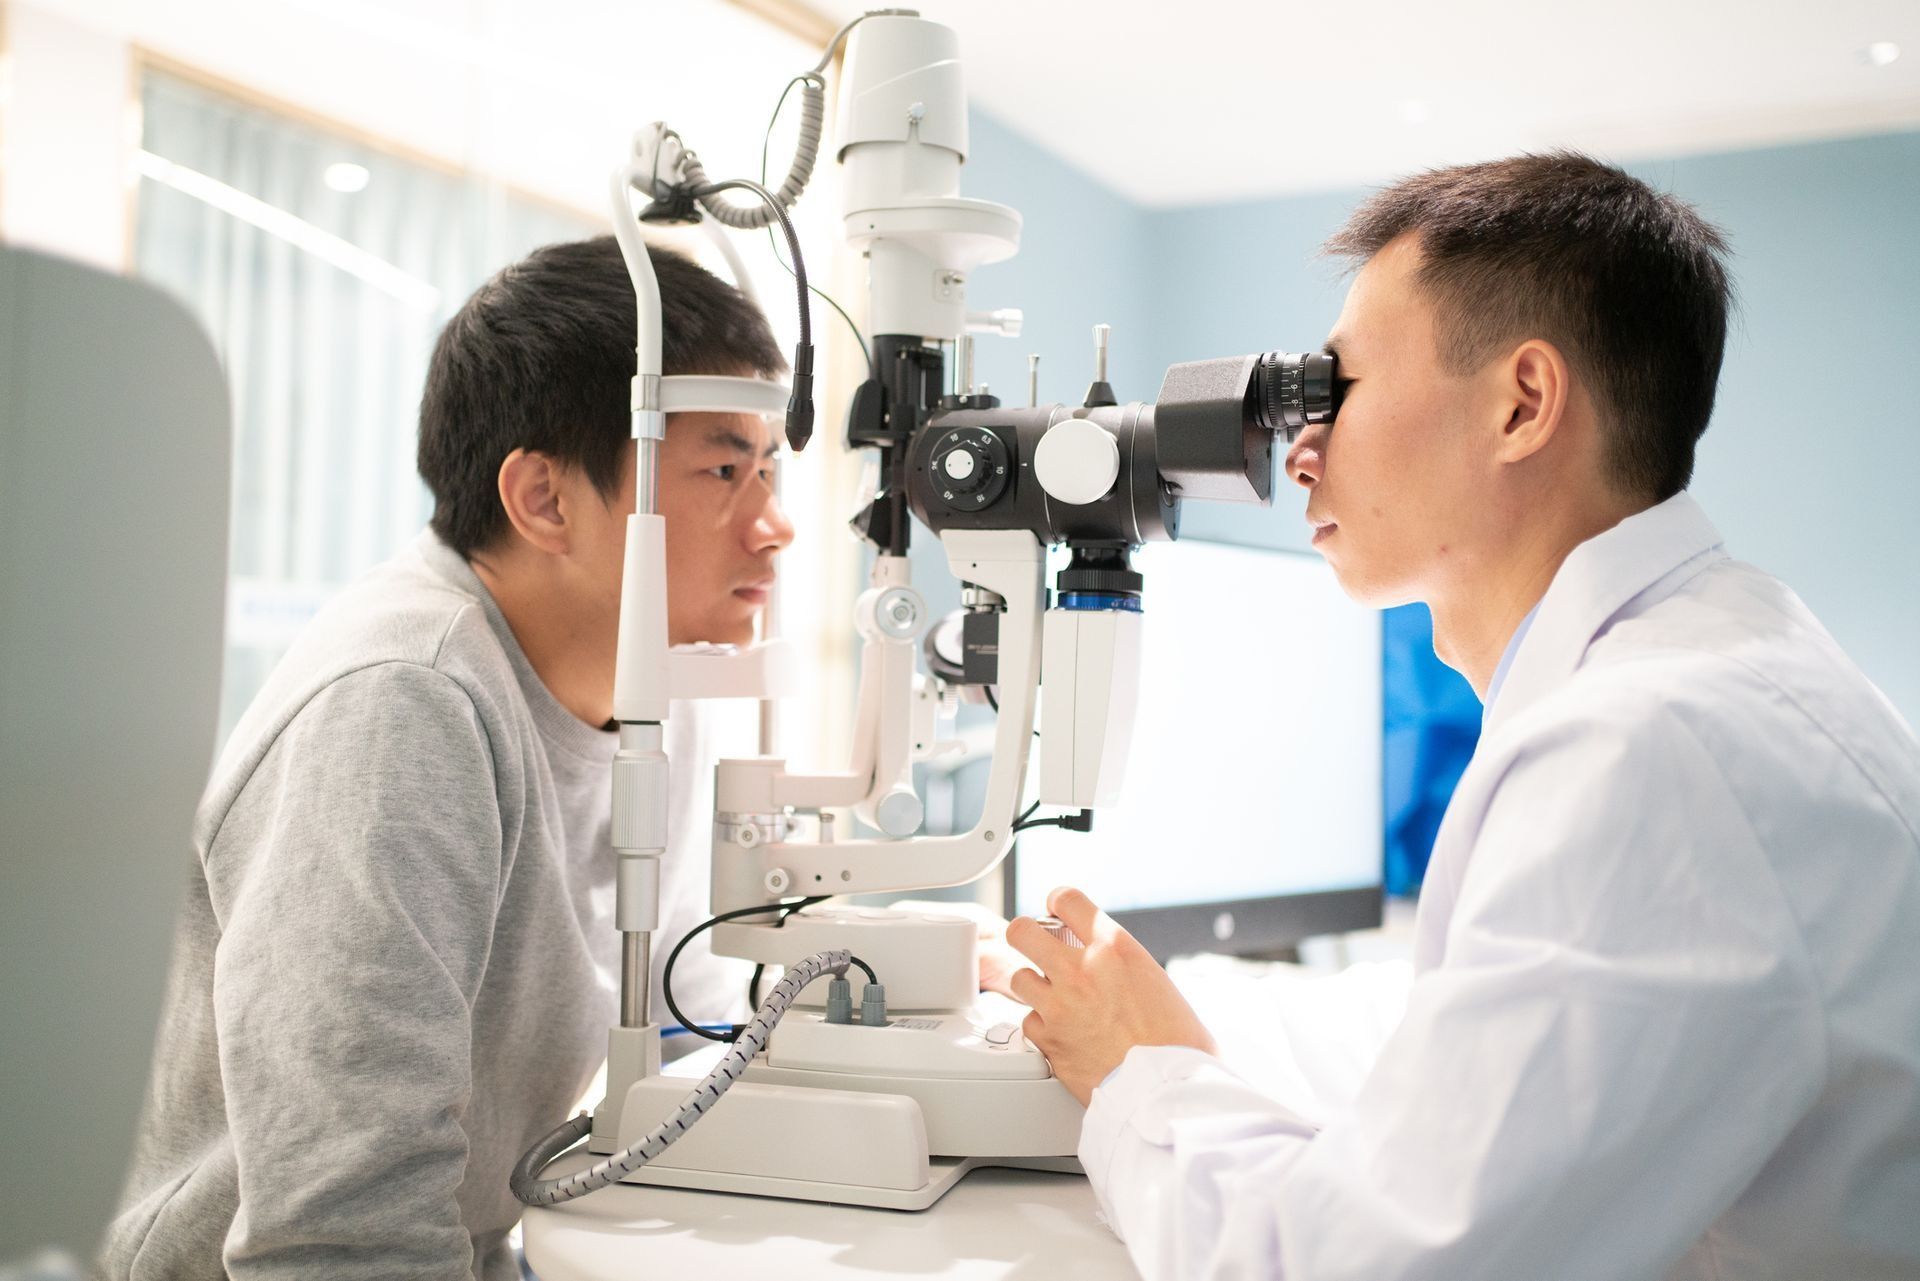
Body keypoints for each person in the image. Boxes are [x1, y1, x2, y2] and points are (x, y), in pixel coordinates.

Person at [1001, 153, 1920, 1279]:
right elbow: (1463, 1044)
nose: (1302, 451)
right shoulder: (1724, 651)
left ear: (1522, 404)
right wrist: (1158, 1007)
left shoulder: (1648, 750)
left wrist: (1139, 1077)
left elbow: (1350, 1267)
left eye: (1337, 389)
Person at [100, 237, 795, 1279]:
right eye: (725, 470)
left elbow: (687, 1022)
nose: (776, 526)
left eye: (771, 469)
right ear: (545, 500)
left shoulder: (657, 691)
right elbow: (340, 1234)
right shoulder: (403, 705)